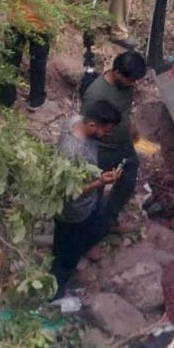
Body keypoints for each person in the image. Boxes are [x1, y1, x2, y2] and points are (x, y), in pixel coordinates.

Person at [51, 100, 122, 299]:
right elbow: (68, 192)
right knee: (65, 257)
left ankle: (79, 250)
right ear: (92, 125)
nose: (107, 134)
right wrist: (99, 183)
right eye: (105, 131)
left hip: (89, 202)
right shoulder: (73, 152)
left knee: (95, 226)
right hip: (74, 212)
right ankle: (55, 294)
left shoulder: (75, 121)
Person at [81, 50, 147, 233]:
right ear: (117, 73)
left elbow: (125, 109)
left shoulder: (126, 86)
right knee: (95, 194)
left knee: (128, 181)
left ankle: (109, 220)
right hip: (103, 150)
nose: (133, 84)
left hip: (125, 146)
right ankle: (89, 235)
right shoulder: (96, 94)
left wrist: (131, 126)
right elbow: (87, 126)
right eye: (131, 80)